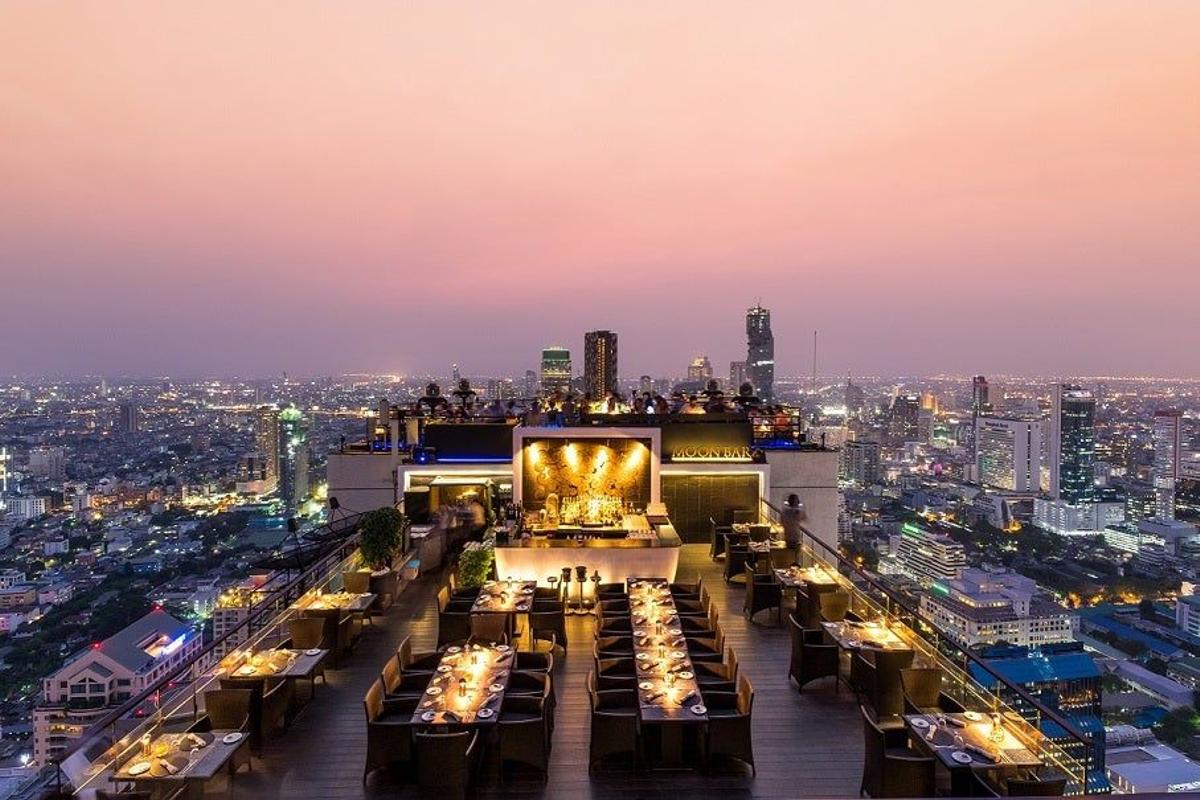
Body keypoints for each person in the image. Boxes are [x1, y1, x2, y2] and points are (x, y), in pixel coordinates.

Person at [781, 493, 806, 563]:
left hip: (787, 537)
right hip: (795, 538)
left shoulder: (785, 512)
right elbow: (804, 518)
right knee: (796, 559)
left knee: (789, 557)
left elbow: (782, 522)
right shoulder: (797, 512)